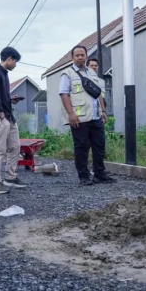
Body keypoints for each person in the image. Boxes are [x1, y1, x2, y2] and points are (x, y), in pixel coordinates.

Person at [59, 45, 116, 186]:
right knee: (81, 148)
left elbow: (98, 93)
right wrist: (71, 114)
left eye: (82, 55)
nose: (80, 57)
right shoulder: (67, 74)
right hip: (79, 118)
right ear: (72, 57)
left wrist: (103, 111)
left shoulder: (91, 72)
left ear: (86, 56)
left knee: (99, 146)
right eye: (77, 55)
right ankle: (84, 176)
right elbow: (64, 94)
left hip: (96, 117)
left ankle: (99, 174)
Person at [0, 47, 27, 194]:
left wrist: (10, 100)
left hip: (9, 117)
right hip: (0, 118)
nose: (15, 65)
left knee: (15, 147)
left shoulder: (4, 74)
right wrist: (1, 116)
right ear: (9, 58)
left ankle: (10, 177)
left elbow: (1, 97)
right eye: (15, 61)